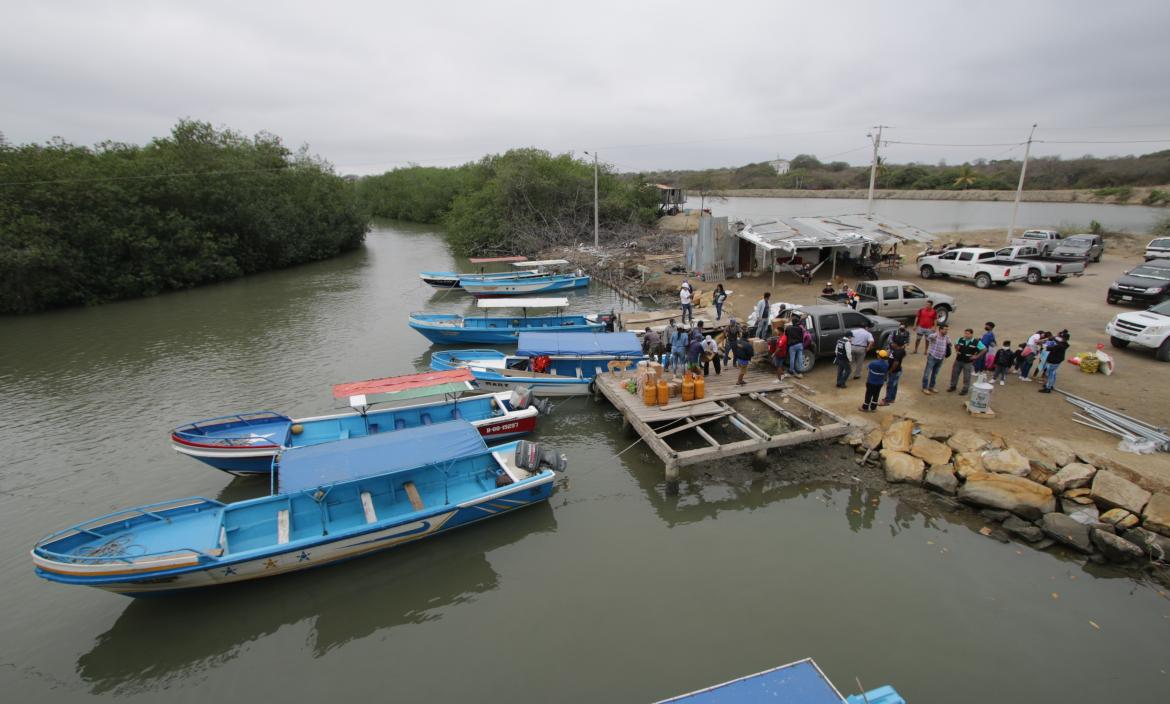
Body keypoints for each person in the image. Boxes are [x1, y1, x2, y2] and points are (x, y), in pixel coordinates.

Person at [947, 328, 985, 396]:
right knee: (954, 374)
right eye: (965, 333)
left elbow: (984, 349)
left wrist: (976, 356)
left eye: (967, 334)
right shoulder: (960, 339)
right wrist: (957, 350)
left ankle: (965, 390)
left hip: (968, 362)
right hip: (958, 360)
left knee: (966, 376)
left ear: (971, 334)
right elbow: (955, 344)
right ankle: (953, 386)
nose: (966, 335)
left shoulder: (976, 342)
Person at [921, 324, 951, 394]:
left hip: (941, 358)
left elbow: (949, 344)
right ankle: (924, 388)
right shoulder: (934, 335)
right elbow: (929, 338)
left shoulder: (947, 337)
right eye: (945, 329)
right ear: (940, 329)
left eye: (947, 329)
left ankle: (931, 387)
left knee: (935, 374)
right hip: (932, 356)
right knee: (927, 373)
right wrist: (933, 337)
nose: (946, 331)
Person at [880, 338, 906, 406]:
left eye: (893, 343)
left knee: (890, 385)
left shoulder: (898, 352)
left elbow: (896, 363)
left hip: (895, 371)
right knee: (894, 385)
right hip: (897, 370)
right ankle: (891, 398)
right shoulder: (899, 350)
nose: (892, 344)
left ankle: (887, 400)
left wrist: (891, 370)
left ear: (897, 344)